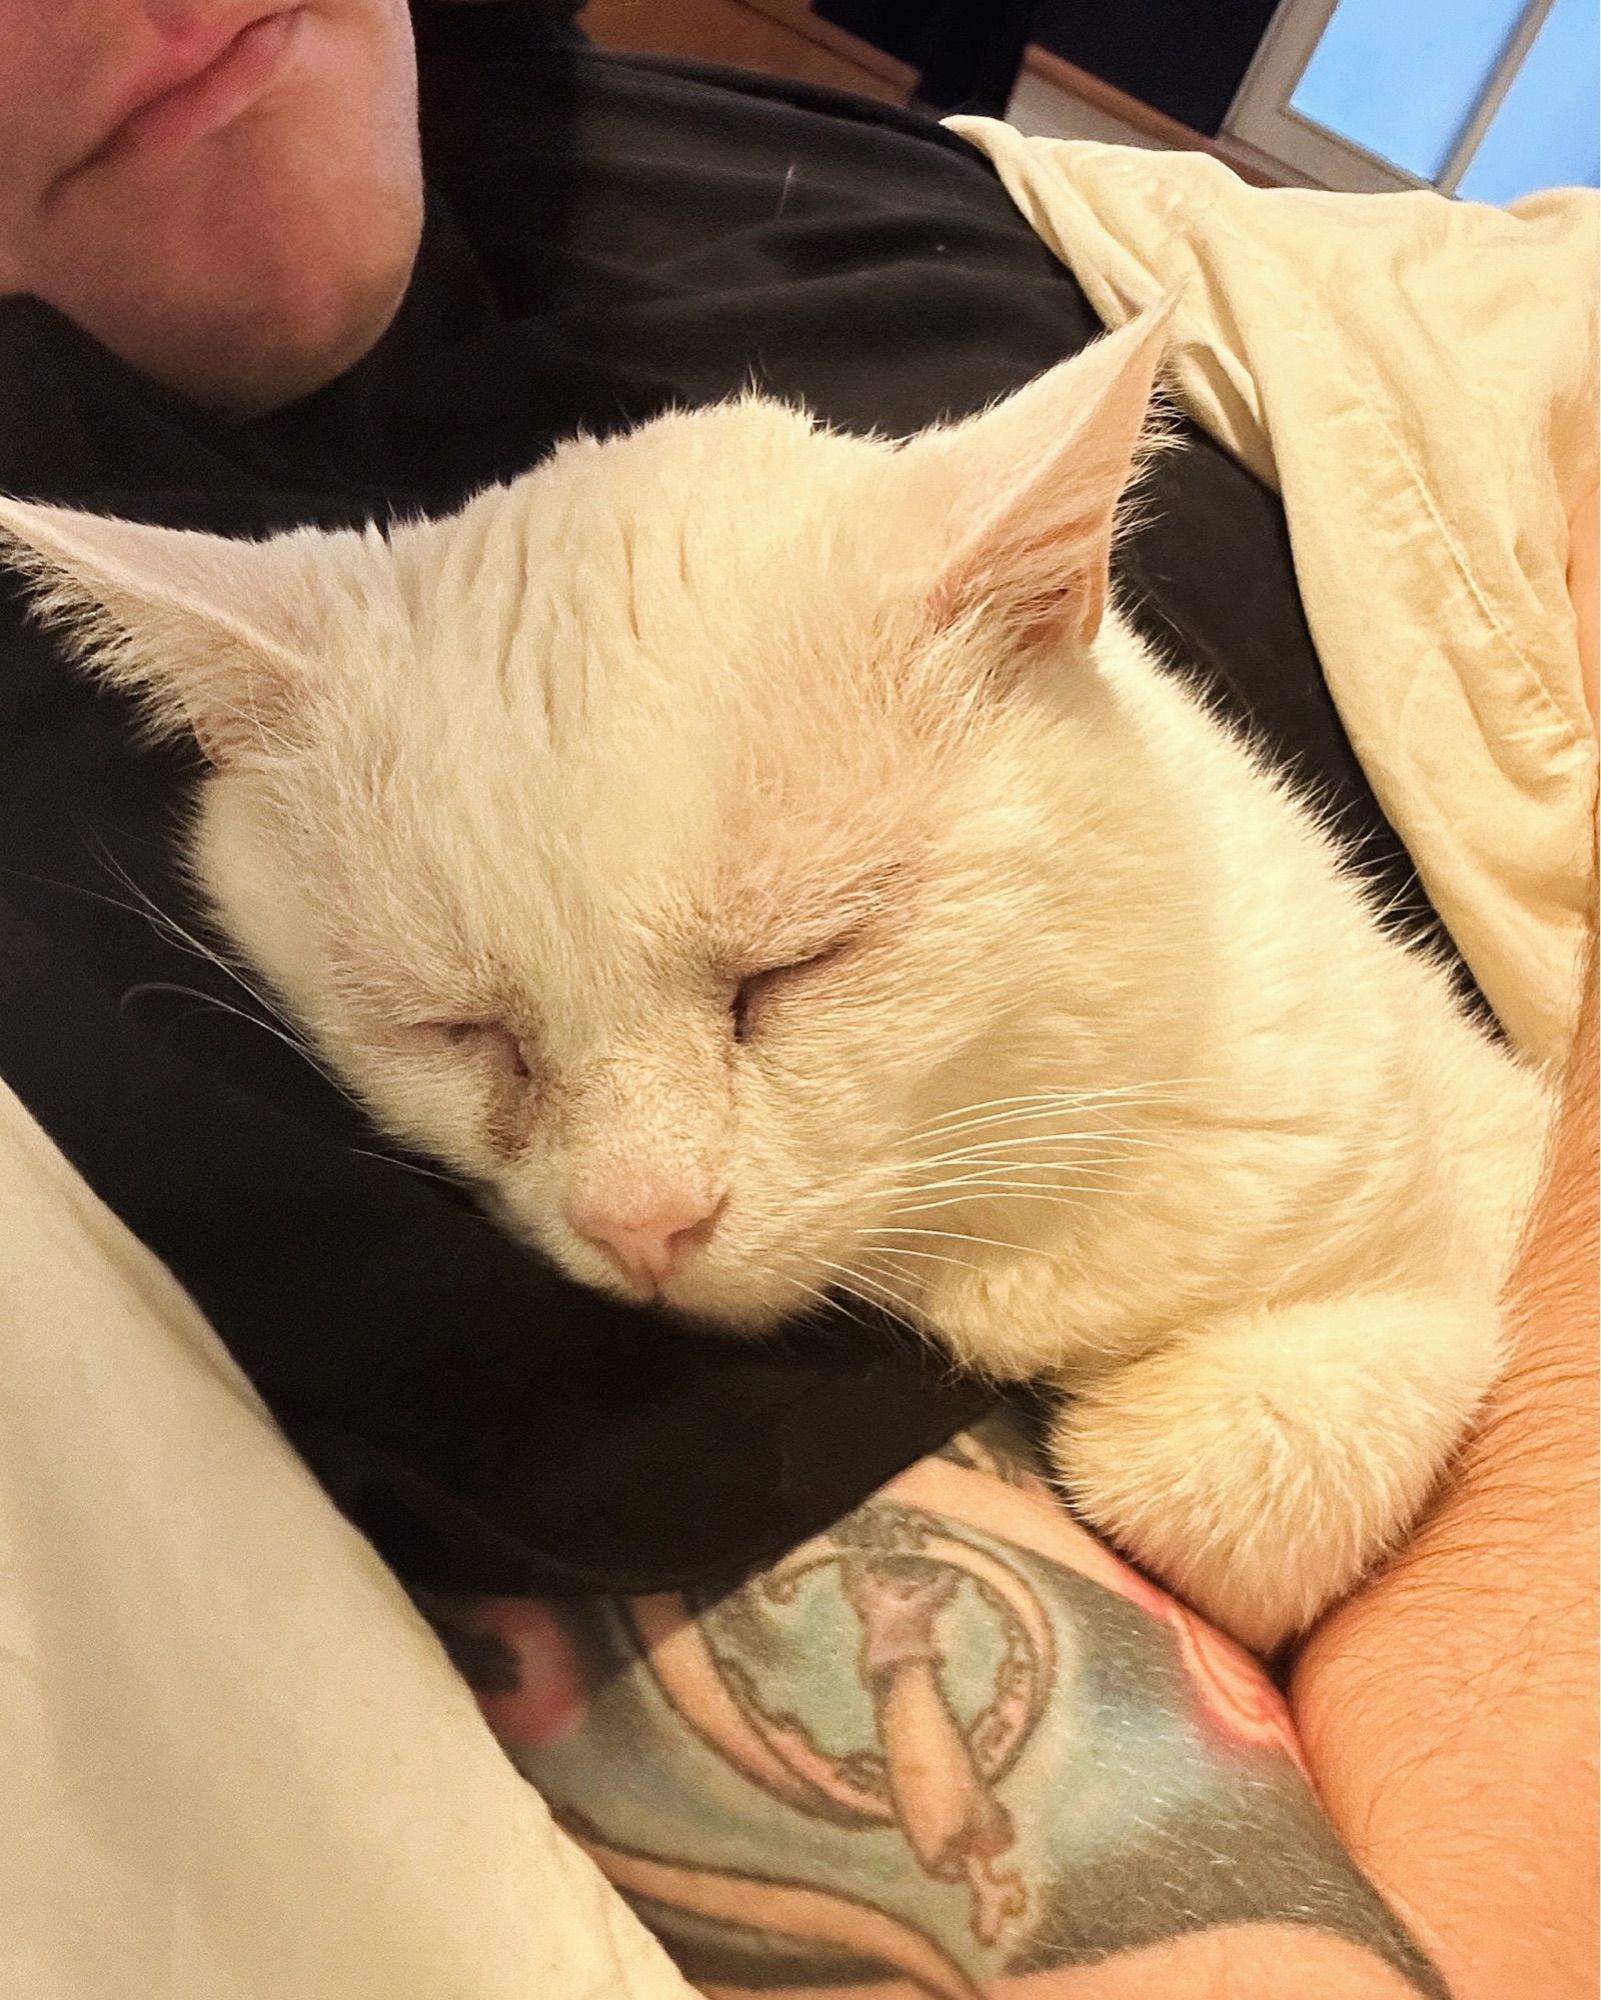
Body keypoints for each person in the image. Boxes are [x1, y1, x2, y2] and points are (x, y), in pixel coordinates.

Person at [0, 4, 1592, 1996]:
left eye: (781, 975)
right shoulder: (76, 834)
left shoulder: (679, 149)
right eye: (476, 1047)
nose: (632, 1204)